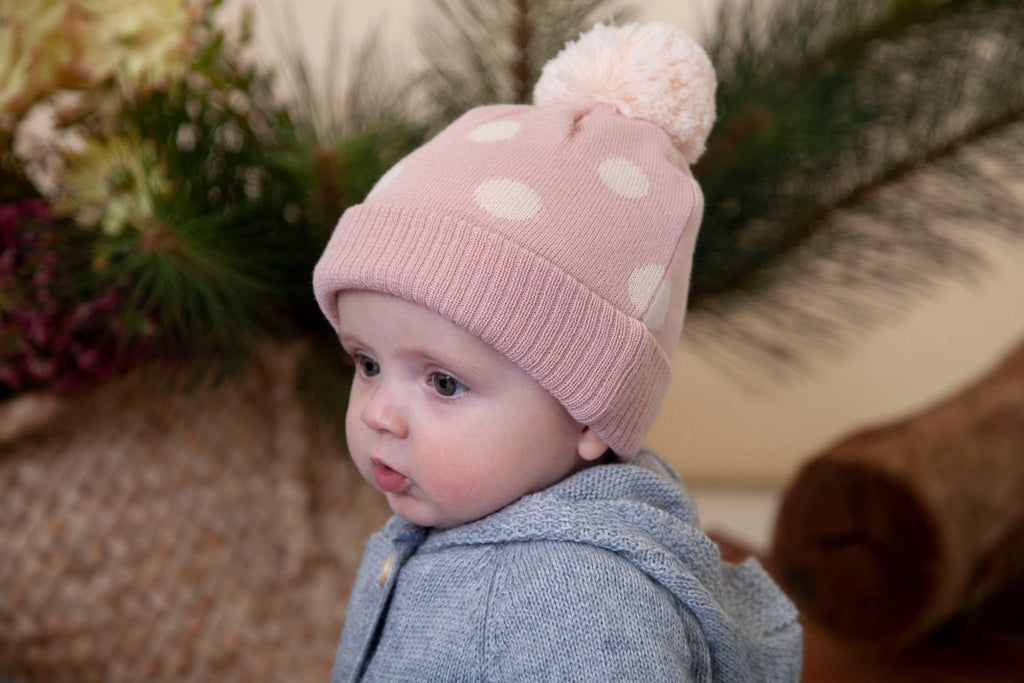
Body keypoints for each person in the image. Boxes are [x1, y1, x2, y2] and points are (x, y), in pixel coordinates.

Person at [313, 21, 802, 681]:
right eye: (368, 363)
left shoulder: (581, 601)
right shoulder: (462, 519)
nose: (378, 413)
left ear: (589, 413)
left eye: (444, 383)